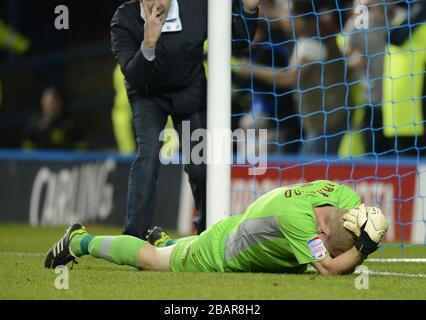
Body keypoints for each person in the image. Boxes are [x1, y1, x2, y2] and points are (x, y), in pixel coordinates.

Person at [111, 0, 260, 239]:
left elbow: (237, 42)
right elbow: (135, 75)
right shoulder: (125, 19)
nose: (156, 3)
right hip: (148, 95)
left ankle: (206, 232)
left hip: (189, 94)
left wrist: (249, 11)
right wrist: (148, 43)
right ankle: (133, 237)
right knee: (148, 157)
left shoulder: (197, 7)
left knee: (200, 166)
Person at [45, 180, 388, 275]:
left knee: (166, 249)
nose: (328, 250)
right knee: (153, 260)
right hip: (220, 252)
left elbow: (359, 219)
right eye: (331, 246)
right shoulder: (299, 224)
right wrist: (362, 250)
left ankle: (169, 240)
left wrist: (367, 227)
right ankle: (79, 240)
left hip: (245, 230)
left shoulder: (341, 197)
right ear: (323, 235)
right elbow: (329, 269)